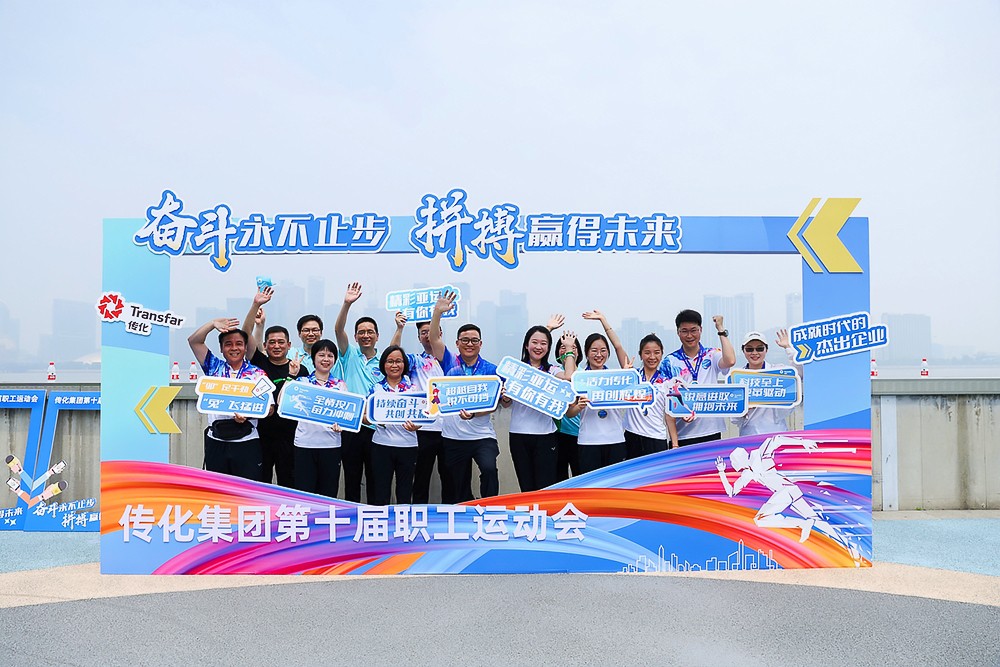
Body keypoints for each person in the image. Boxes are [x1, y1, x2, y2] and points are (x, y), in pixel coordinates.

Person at [715, 435, 859, 560]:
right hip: (789, 492)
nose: (734, 465)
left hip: (786, 490)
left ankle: (804, 525)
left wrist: (802, 442)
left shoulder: (759, 454)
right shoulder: (747, 473)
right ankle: (849, 546)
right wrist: (721, 472)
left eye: (734, 462)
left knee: (760, 519)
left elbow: (777, 440)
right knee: (816, 520)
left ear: (739, 459)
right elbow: (731, 492)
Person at [389, 291, 459, 504]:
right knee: (420, 478)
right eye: (423, 333)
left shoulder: (450, 359)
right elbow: (393, 354)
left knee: (450, 478)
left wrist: (437, 313)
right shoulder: (414, 361)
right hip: (422, 428)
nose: (427, 336)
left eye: (431, 331)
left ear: (439, 332)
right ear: (419, 337)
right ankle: (418, 515)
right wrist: (399, 329)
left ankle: (450, 514)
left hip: (449, 429)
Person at [241, 287, 309, 487]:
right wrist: (256, 305)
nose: (276, 346)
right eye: (272, 342)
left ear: (289, 345)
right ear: (265, 345)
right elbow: (245, 334)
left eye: (281, 342)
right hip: (261, 435)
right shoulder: (259, 363)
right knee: (261, 482)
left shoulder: (300, 370)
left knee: (289, 482)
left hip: (291, 436)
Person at [187, 317, 269, 481]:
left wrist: (247, 415)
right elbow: (194, 341)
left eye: (239, 344)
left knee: (247, 490)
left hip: (247, 441)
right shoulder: (214, 367)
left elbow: (269, 408)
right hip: (216, 440)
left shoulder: (257, 374)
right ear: (221, 348)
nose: (234, 348)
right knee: (218, 490)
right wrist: (212, 324)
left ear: (245, 347)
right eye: (228, 344)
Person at [500, 326, 579, 493]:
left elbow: (570, 377)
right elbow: (506, 404)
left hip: (546, 436)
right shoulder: (516, 369)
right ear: (526, 345)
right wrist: (505, 398)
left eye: (543, 343)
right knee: (526, 486)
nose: (538, 347)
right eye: (534, 342)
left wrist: (569, 349)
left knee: (545, 486)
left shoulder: (552, 370)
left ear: (548, 348)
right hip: (519, 435)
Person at [564, 310, 631, 475]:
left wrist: (603, 321)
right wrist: (579, 407)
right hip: (588, 442)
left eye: (603, 350)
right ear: (586, 353)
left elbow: (618, 346)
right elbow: (570, 413)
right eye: (594, 350)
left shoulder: (617, 377)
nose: (599, 355)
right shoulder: (580, 378)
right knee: (591, 488)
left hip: (615, 440)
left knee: (615, 486)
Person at [334, 281, 383, 503]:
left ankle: (376, 517)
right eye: (361, 332)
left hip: (376, 427)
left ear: (377, 336)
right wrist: (347, 304)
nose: (366, 335)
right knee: (351, 478)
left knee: (376, 478)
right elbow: (338, 330)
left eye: (370, 332)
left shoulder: (384, 361)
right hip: (351, 426)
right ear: (355, 337)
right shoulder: (349, 354)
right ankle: (353, 518)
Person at [440, 322, 500, 502]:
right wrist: (438, 313)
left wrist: (474, 413)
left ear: (480, 344)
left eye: (474, 340)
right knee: (458, 484)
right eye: (465, 340)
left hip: (482, 435)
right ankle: (466, 510)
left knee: (489, 469)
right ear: (457, 343)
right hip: (453, 436)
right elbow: (434, 338)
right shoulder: (449, 363)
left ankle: (489, 506)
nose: (469, 344)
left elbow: (493, 405)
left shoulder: (491, 370)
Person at [281, 339, 345, 498]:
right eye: (321, 355)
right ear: (313, 358)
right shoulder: (302, 382)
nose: (326, 359)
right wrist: (291, 376)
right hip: (305, 444)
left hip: (331, 445)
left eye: (330, 356)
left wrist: (342, 426)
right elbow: (281, 402)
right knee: (304, 493)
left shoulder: (340, 385)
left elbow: (346, 415)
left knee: (328, 493)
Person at [665, 309, 736, 446]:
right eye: (684, 331)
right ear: (678, 332)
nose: (689, 335)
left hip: (711, 430)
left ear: (700, 330)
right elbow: (668, 398)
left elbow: (730, 360)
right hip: (683, 433)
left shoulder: (711, 354)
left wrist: (720, 329)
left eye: (694, 330)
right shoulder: (670, 361)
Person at [367, 346, 421, 505]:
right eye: (390, 361)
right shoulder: (376, 388)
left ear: (404, 364)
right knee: (381, 491)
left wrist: (416, 426)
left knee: (405, 492)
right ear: (383, 364)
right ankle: (381, 520)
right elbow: (365, 417)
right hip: (381, 445)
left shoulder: (414, 389)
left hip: (408, 445)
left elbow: (423, 417)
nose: (394, 365)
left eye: (398, 361)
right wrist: (375, 419)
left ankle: (403, 521)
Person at [732, 329, 802, 437]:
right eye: (749, 349)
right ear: (743, 351)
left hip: (777, 436)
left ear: (766, 350)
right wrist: (743, 410)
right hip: (749, 437)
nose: (754, 353)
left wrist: (788, 348)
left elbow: (800, 371)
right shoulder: (737, 378)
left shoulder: (778, 371)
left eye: (759, 348)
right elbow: (734, 418)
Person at [623, 334, 682, 458]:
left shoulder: (667, 383)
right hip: (632, 437)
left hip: (656, 439)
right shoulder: (632, 377)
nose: (652, 357)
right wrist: (624, 375)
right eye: (647, 353)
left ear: (661, 354)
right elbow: (618, 347)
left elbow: (669, 416)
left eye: (657, 352)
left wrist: (675, 444)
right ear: (640, 354)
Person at [553, 334, 584, 481]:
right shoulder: (554, 373)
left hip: (580, 435)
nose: (567, 350)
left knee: (580, 476)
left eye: (572, 347)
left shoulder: (585, 375)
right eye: (563, 347)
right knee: (559, 477)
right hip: (558, 434)